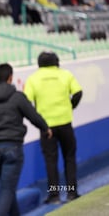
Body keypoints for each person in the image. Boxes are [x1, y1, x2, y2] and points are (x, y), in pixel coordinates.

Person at [0, 63, 52, 216]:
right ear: (11, 78)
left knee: (8, 189)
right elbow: (33, 116)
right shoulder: (18, 97)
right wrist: (46, 128)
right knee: (7, 189)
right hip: (13, 148)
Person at [24, 51, 83, 204]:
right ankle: (72, 192)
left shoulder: (33, 79)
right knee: (69, 157)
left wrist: (38, 119)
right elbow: (78, 93)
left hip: (46, 127)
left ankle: (54, 195)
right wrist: (70, 107)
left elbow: (26, 101)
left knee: (51, 161)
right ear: (57, 62)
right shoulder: (66, 75)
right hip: (65, 122)